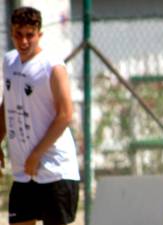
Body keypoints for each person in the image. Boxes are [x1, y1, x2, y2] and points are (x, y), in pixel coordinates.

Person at [0, 7, 80, 225]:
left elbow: (65, 114)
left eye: (29, 35)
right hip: (23, 173)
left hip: (55, 170)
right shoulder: (8, 62)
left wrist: (36, 154)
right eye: (18, 34)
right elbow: (7, 103)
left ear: (39, 35)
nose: (24, 41)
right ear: (11, 33)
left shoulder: (52, 66)